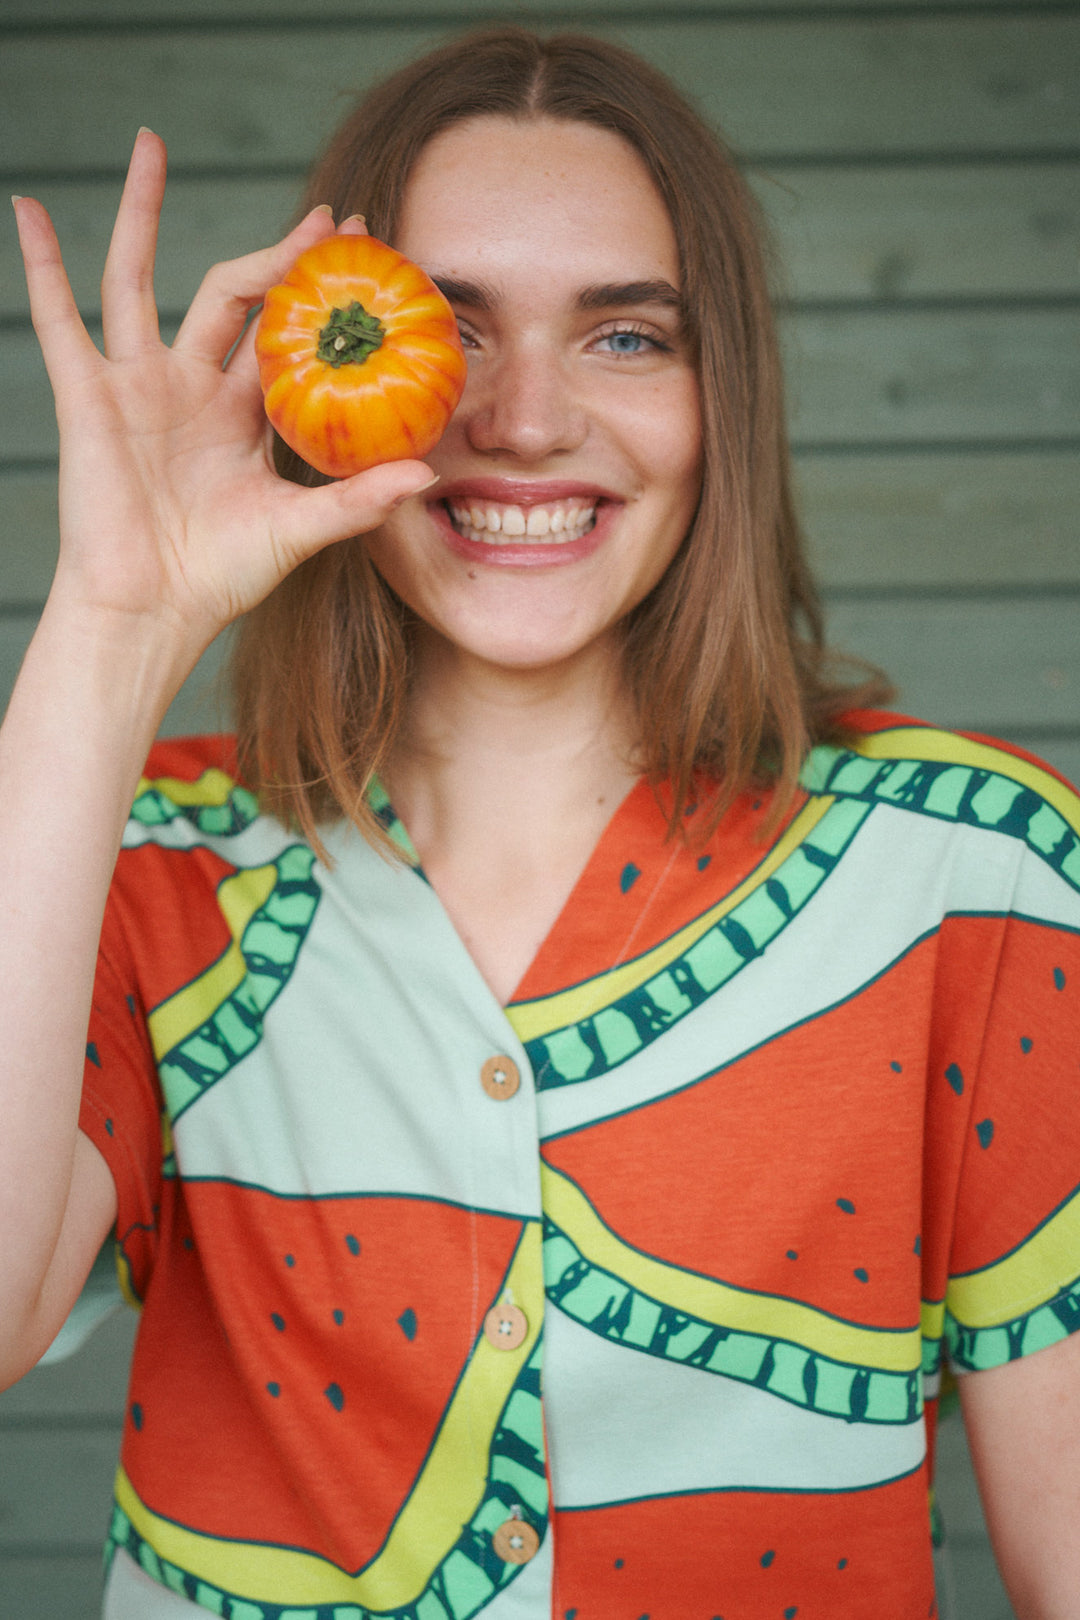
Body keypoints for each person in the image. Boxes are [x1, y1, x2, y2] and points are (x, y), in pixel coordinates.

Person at [3, 26, 1079, 1620]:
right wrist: (108, 625)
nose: (518, 421)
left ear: (726, 397)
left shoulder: (977, 867)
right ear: (325, 384)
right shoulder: (140, 861)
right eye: (446, 332)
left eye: (626, 339)